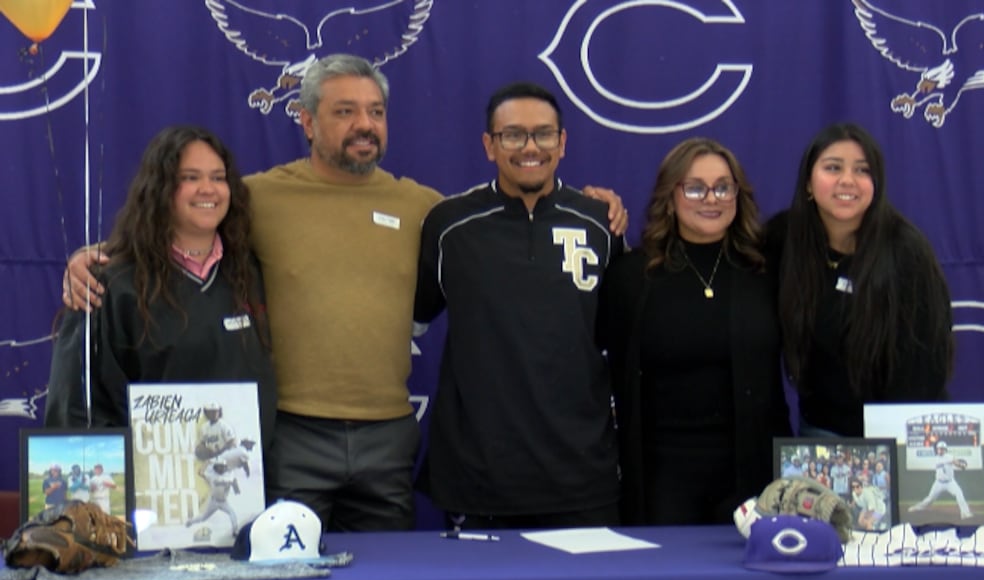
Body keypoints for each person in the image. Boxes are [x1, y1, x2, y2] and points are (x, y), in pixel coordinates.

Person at [61, 56, 627, 532]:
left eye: (376, 112)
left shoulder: (428, 208)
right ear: (306, 121)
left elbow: (506, 220)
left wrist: (596, 207)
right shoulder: (256, 197)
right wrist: (95, 258)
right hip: (290, 435)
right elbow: (180, 223)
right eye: (345, 111)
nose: (365, 124)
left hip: (389, 437)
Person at [414, 82, 622, 529]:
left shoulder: (601, 222)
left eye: (544, 134)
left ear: (562, 143)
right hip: (480, 476)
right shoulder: (450, 225)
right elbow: (412, 320)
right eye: (512, 135)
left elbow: (616, 338)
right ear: (489, 145)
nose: (530, 147)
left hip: (582, 476)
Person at [45, 125, 277, 444]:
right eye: (190, 177)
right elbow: (73, 410)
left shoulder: (252, 272)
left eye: (218, 177)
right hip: (146, 485)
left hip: (243, 482)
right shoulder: (108, 284)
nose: (207, 189)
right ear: (159, 188)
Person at [599, 137, 789, 525]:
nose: (712, 198)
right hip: (661, 481)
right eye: (695, 187)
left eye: (723, 186)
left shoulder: (767, 271)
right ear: (670, 197)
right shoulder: (631, 277)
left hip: (753, 478)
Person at [773, 122, 954, 437]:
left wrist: (897, 449)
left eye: (862, 170)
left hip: (899, 434)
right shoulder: (782, 239)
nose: (847, 180)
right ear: (807, 184)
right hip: (820, 430)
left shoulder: (906, 252)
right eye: (833, 168)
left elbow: (927, 364)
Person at [908, 440, 972, 519]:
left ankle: (965, 513)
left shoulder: (949, 456)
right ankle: (916, 508)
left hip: (950, 482)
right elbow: (951, 461)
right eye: (939, 449)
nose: (940, 450)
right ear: (937, 450)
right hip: (939, 483)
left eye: (942, 449)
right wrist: (955, 463)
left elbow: (955, 462)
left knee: (959, 494)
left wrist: (961, 466)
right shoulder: (936, 458)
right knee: (930, 499)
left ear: (945, 450)